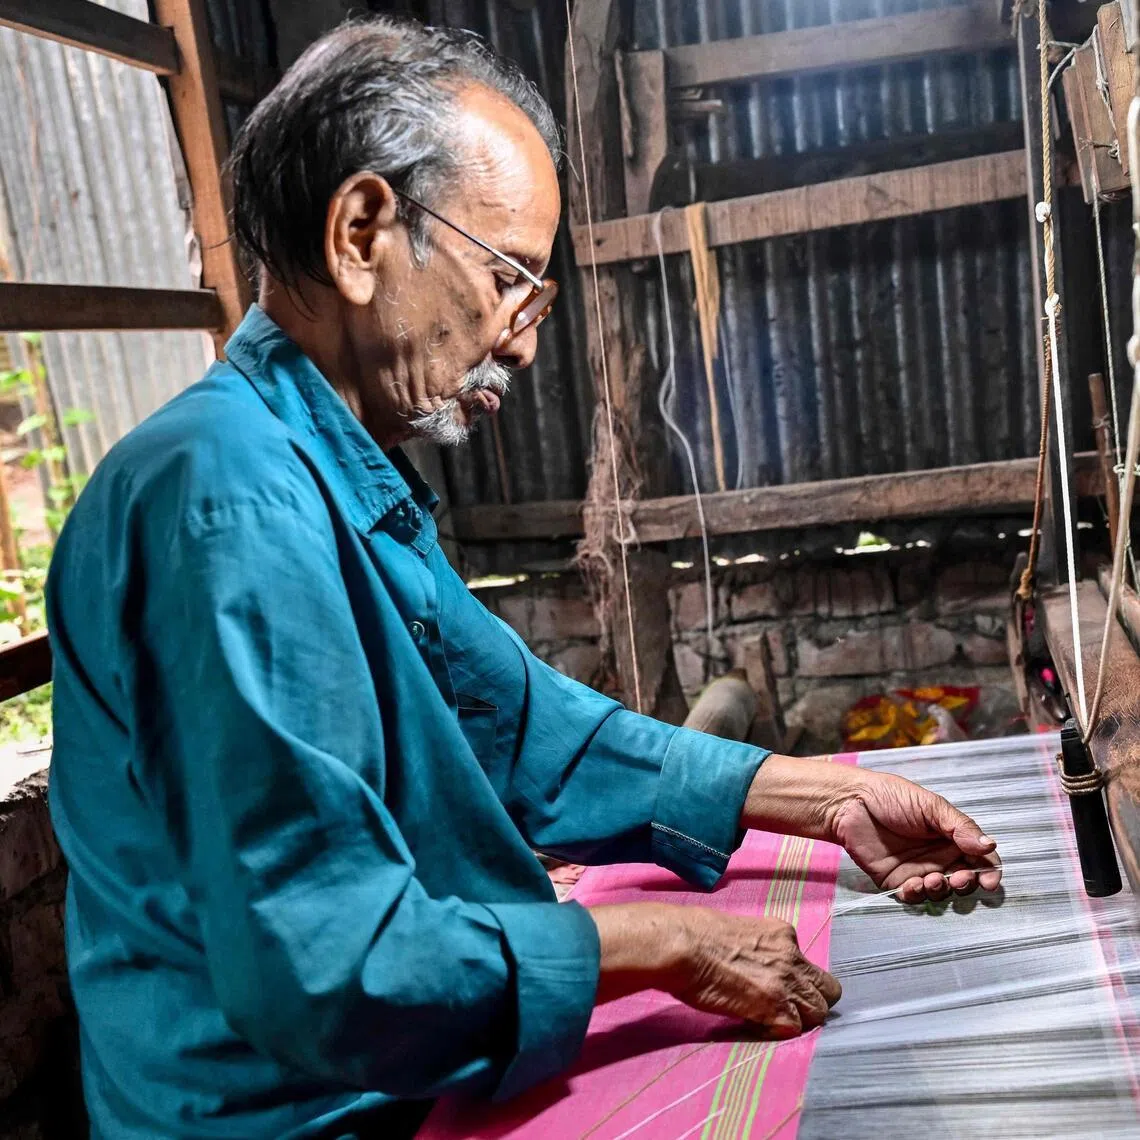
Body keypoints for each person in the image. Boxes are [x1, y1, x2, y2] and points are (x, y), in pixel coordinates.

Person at [46, 17, 1001, 1140]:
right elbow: (327, 966)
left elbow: (520, 728)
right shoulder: (229, 505)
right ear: (362, 232)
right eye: (509, 279)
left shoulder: (323, 468)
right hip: (297, 1116)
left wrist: (825, 796)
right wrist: (662, 944)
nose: (525, 341)